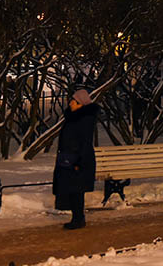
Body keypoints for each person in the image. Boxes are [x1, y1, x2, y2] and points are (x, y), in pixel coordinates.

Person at [52, 88, 99, 229]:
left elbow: (84, 142)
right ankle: (77, 218)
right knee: (73, 189)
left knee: (76, 190)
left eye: (73, 101)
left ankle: (78, 219)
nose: (70, 103)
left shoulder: (83, 119)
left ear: (80, 103)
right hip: (69, 158)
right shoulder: (74, 117)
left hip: (77, 160)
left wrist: (79, 162)